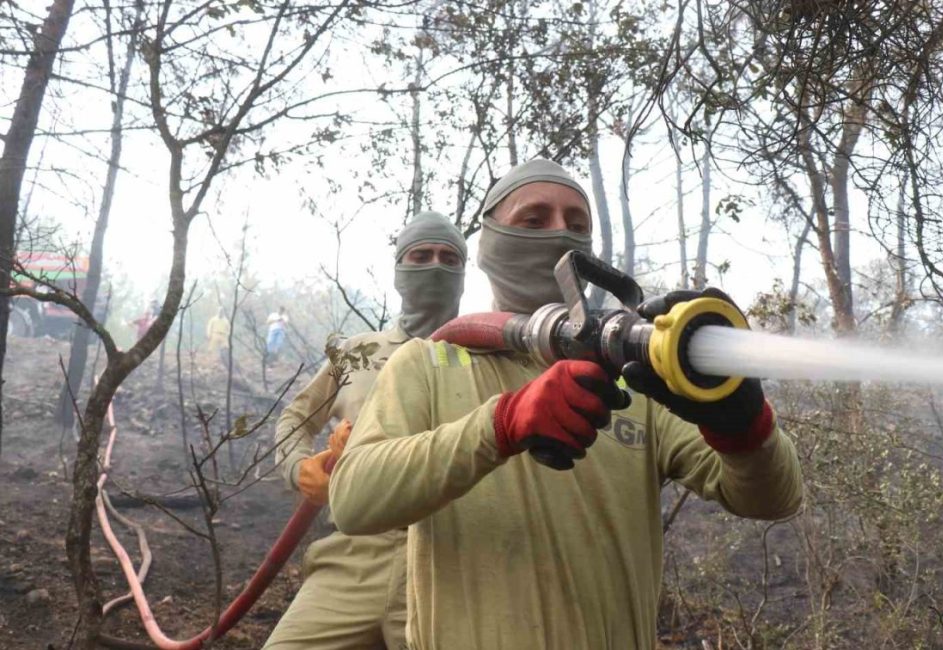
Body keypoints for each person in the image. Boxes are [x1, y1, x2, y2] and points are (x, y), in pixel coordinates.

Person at [330, 159, 803, 650]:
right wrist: (501, 425)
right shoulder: (429, 362)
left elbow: (774, 499)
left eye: (577, 225)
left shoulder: (635, 380)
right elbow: (354, 501)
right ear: (491, 242)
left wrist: (743, 424)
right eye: (534, 220)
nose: (560, 235)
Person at [264, 211, 467, 649]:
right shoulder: (359, 353)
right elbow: (296, 418)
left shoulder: (482, 353)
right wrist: (299, 468)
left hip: (453, 558)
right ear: (398, 270)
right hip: (356, 553)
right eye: (421, 255)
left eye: (450, 258)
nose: (436, 266)